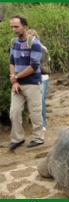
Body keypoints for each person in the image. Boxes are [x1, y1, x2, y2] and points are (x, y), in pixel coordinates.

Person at [8, 15, 44, 150]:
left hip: (32, 83)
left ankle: (38, 138)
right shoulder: (13, 42)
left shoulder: (34, 43)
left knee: (35, 112)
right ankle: (17, 138)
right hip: (17, 84)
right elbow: (11, 62)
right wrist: (14, 79)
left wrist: (16, 77)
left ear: (25, 26)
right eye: (12, 27)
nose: (14, 29)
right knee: (14, 111)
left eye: (16, 26)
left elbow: (33, 66)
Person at [27, 29, 50, 131]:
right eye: (30, 37)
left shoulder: (42, 48)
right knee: (32, 101)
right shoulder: (26, 48)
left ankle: (43, 124)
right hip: (30, 78)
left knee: (41, 100)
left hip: (42, 77)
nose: (32, 39)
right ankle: (35, 122)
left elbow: (45, 63)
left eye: (33, 36)